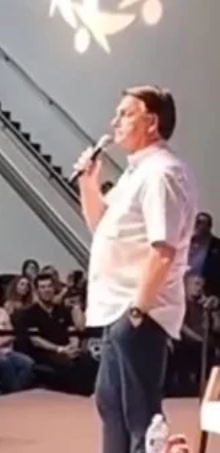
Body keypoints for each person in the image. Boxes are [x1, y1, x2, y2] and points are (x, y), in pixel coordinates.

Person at [75, 85, 197, 453]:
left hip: (140, 311)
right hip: (120, 310)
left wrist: (137, 312)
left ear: (152, 123)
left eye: (126, 113)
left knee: (141, 417)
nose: (115, 121)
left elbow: (164, 250)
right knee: (111, 404)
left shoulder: (162, 173)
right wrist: (88, 183)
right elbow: (101, 226)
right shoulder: (136, 173)